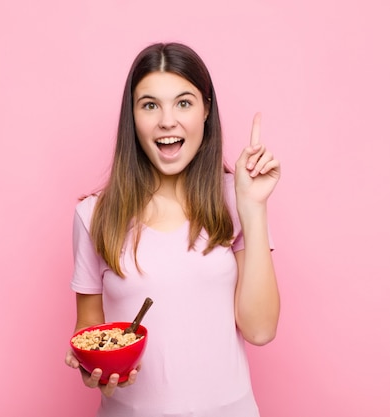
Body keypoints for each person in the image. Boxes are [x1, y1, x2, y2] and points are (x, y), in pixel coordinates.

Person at [64, 42, 281, 417]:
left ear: (206, 110)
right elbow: (90, 327)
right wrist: (92, 367)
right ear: (132, 116)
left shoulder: (236, 198)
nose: (168, 121)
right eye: (150, 105)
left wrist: (253, 208)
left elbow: (260, 330)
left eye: (183, 103)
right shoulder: (93, 215)